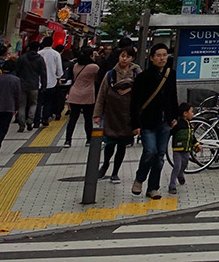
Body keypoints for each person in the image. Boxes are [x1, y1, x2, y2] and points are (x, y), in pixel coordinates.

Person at [129, 43, 178, 199]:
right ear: (151, 58)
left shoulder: (171, 74)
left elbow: (173, 97)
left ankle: (153, 188)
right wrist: (135, 124)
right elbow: (135, 102)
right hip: (147, 121)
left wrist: (174, 117)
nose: (162, 58)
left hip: (165, 121)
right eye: (158, 55)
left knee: (160, 156)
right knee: (150, 151)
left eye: (164, 55)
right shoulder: (143, 77)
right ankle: (140, 178)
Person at [93, 46, 139, 184]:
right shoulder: (110, 74)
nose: (124, 59)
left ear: (132, 58)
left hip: (128, 115)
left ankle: (115, 172)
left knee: (122, 144)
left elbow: (143, 91)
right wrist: (97, 114)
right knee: (110, 143)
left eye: (128, 56)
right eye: (122, 56)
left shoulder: (137, 73)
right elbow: (101, 95)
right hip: (111, 114)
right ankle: (105, 164)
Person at [62, 49, 100, 148]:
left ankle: (68, 140)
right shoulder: (94, 67)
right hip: (88, 94)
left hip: (75, 93)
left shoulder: (75, 65)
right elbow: (97, 79)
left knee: (73, 118)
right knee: (88, 118)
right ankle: (89, 139)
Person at [166, 102, 194, 195]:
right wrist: (171, 128)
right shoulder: (178, 124)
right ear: (185, 114)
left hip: (187, 150)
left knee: (184, 164)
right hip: (177, 150)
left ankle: (180, 174)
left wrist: (197, 144)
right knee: (177, 166)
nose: (193, 114)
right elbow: (171, 133)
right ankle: (172, 185)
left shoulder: (190, 125)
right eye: (191, 112)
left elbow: (192, 136)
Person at [15, 43, 44, 132]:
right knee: (33, 103)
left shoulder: (22, 58)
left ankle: (21, 124)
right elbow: (43, 73)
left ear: (28, 48)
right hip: (34, 84)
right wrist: (44, 85)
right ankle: (30, 121)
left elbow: (17, 70)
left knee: (22, 105)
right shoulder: (39, 59)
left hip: (22, 84)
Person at [37, 37, 62, 126]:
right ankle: (45, 118)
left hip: (39, 81)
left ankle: (36, 120)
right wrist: (59, 77)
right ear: (52, 43)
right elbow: (59, 68)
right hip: (52, 81)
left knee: (39, 101)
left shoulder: (39, 53)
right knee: (49, 101)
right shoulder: (56, 54)